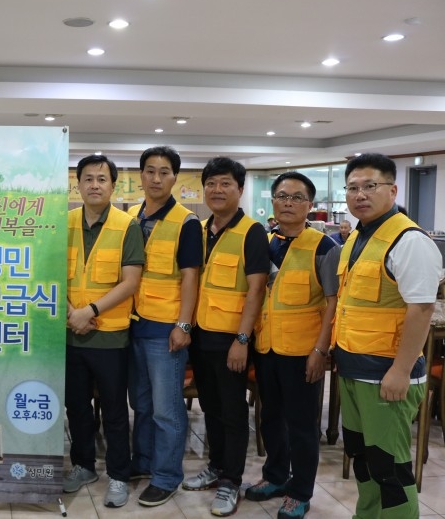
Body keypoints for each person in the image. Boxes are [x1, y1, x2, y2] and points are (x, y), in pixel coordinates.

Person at [333, 153, 443, 518]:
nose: (360, 194)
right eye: (353, 187)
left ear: (392, 190)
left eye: (370, 186)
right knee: (363, 460)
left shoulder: (409, 240)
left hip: (386, 375)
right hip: (353, 369)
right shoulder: (357, 238)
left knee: (390, 469)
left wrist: (400, 370)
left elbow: (422, 309)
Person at [245, 172, 340, 519]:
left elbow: (333, 303)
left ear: (310, 206)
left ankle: (300, 491)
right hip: (267, 348)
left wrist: (320, 351)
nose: (288, 202)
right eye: (282, 196)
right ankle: (274, 476)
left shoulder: (325, 247)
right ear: (272, 202)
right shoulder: (265, 242)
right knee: (270, 418)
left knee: (301, 425)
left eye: (297, 197)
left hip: (304, 354)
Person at [182, 157, 269, 517]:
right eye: (211, 184)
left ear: (240, 189)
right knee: (212, 409)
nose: (217, 190)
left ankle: (232, 481)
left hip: (232, 339)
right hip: (202, 336)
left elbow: (256, 289)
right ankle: (217, 468)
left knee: (233, 413)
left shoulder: (252, 232)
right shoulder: (201, 229)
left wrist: (242, 339)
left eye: (225, 184)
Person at [63, 154, 144, 508]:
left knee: (113, 410)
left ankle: (118, 475)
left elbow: (130, 283)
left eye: (102, 179)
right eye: (88, 179)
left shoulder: (128, 226)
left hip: (110, 335)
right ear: (77, 184)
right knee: (76, 406)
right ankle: (83, 465)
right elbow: (50, 274)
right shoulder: (61, 223)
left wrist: (90, 311)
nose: (95, 185)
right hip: (68, 332)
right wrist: (71, 313)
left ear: (113, 185)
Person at [127, 146, 202, 507]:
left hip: (165, 328)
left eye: (165, 172)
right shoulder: (129, 215)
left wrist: (183, 325)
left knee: (165, 409)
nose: (156, 178)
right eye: (150, 171)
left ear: (175, 177)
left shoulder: (186, 222)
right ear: (140, 175)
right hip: (131, 324)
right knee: (140, 403)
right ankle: (142, 463)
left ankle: (167, 475)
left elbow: (191, 278)